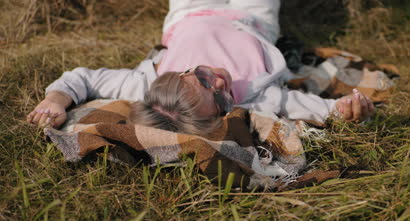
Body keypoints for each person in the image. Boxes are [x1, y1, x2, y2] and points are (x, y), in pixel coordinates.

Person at [27, 0, 374, 135]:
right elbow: (315, 108)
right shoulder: (255, 98)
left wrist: (56, 101)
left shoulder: (145, 84)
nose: (221, 83)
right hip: (252, 18)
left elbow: (82, 78)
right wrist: (349, 109)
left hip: (190, 11)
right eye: (221, 100)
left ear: (178, 75)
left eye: (204, 78)